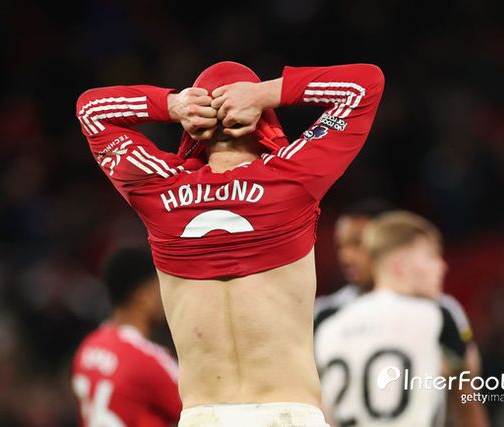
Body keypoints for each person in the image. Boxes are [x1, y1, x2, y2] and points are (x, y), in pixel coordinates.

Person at [75, 61, 385, 426]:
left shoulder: (159, 191)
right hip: (288, 414)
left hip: (203, 416)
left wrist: (173, 105)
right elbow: (364, 85)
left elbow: (91, 110)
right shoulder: (293, 179)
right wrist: (265, 94)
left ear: (196, 128)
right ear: (263, 122)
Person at [315, 211, 488, 427]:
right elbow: (467, 395)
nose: (442, 267)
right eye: (432, 256)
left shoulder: (328, 323)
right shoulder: (436, 316)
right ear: (399, 265)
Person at [71, 248, 181, 427]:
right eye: (158, 286)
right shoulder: (148, 360)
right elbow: (202, 410)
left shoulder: (87, 348)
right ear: (143, 296)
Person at [314, 199, 393, 330]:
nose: (346, 257)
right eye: (340, 246)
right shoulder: (324, 313)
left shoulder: (424, 308)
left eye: (357, 243)